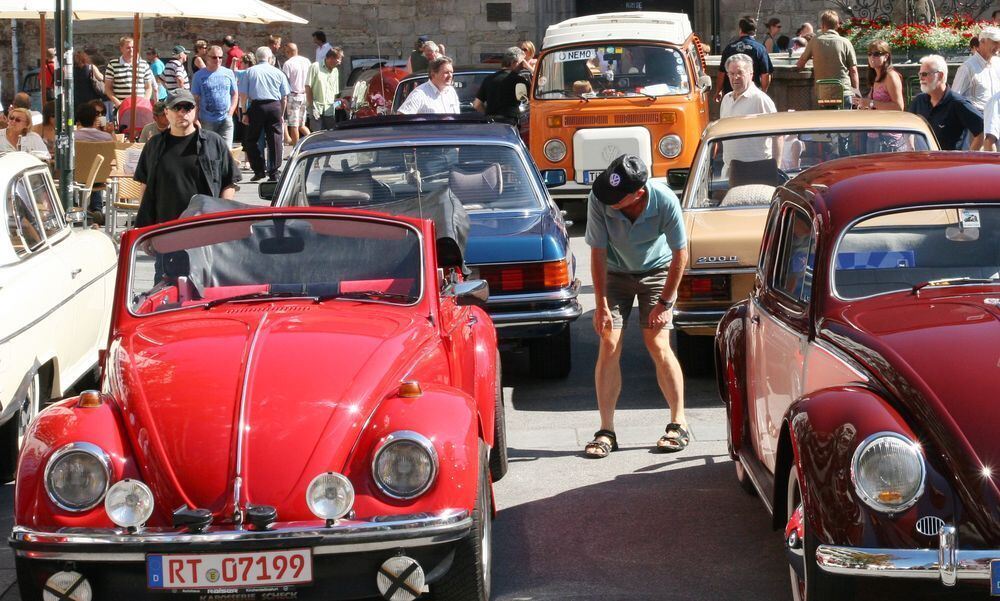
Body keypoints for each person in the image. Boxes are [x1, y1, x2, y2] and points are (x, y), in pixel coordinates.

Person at [583, 154, 689, 459]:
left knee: (656, 341)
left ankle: (678, 422)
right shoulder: (600, 198)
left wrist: (666, 302)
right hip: (615, 272)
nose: (608, 199)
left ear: (638, 194)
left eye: (616, 197)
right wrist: (601, 304)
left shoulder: (664, 200)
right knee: (609, 340)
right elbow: (598, 253)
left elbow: (680, 253)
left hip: (657, 271)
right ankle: (606, 430)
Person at [134, 88, 240, 232]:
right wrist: (146, 230)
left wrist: (220, 217)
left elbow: (229, 183)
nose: (181, 112)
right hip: (165, 228)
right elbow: (144, 186)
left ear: (195, 110)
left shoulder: (213, 142)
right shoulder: (154, 145)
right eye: (176, 107)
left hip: (204, 227)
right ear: (166, 112)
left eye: (187, 107)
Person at [909, 54, 984, 151]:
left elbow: (982, 130)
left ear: (940, 75)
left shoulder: (958, 103)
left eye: (924, 74)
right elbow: (909, 130)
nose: (921, 78)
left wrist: (969, 157)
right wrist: (911, 148)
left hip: (952, 164)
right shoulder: (918, 101)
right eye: (920, 74)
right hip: (924, 162)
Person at [719, 54, 778, 176]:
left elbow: (778, 135)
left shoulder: (760, 99)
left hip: (756, 171)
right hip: (729, 170)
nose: (736, 77)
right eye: (732, 73)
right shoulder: (726, 99)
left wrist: (776, 169)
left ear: (751, 74)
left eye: (740, 73)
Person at [238, 46, 290, 181]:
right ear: (270, 58)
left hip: (257, 106)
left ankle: (259, 169)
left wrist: (244, 112)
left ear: (257, 58)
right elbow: (284, 97)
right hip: (274, 106)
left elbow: (243, 95)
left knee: (251, 139)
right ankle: (274, 171)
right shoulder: (278, 72)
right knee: (275, 139)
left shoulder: (249, 72)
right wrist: (282, 114)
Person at [796, 10, 858, 108]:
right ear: (837, 25)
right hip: (844, 91)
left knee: (826, 122)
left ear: (822, 25)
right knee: (845, 122)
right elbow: (853, 71)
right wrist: (856, 93)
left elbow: (800, 64)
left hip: (823, 93)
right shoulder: (845, 42)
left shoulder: (814, 41)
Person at [191, 45, 240, 148]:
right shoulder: (199, 76)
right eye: (214, 57)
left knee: (226, 151)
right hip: (207, 120)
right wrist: (195, 119)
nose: (217, 60)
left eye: (220, 57)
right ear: (207, 57)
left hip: (226, 119)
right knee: (210, 151)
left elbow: (235, 93)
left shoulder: (228, 73)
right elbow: (195, 99)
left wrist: (231, 112)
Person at [715, 16, 773, 102]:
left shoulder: (729, 48)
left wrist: (718, 90)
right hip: (752, 95)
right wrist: (763, 92)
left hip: (731, 94)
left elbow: (722, 72)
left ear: (740, 29)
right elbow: (765, 74)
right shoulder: (760, 49)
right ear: (754, 31)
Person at [473, 47, 530, 123]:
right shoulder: (519, 80)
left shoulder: (488, 79)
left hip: (491, 123)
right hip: (510, 122)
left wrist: (488, 115)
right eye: (522, 63)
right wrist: (529, 68)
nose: (522, 66)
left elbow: (477, 105)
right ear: (514, 62)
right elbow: (535, 96)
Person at [951, 26, 1000, 113]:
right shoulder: (967, 68)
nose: (998, 46)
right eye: (995, 42)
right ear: (982, 42)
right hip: (978, 118)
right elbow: (954, 97)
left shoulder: (997, 63)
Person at [105, 36, 155, 111]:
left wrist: (144, 102)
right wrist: (118, 103)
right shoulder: (113, 64)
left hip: (140, 107)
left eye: (133, 47)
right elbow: (108, 88)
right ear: (121, 49)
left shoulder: (144, 64)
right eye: (128, 48)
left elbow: (148, 87)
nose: (131, 50)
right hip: (121, 107)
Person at [857, 40, 903, 111]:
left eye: (876, 54)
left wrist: (870, 103)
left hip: (889, 120)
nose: (872, 57)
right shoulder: (876, 76)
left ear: (886, 56)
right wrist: (861, 103)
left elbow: (899, 107)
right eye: (869, 54)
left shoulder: (891, 76)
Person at [305, 47, 343, 131]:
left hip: (329, 109)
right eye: (338, 60)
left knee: (331, 135)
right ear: (330, 58)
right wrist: (312, 107)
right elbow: (308, 87)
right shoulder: (315, 67)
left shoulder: (335, 71)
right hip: (316, 107)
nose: (339, 63)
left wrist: (338, 103)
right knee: (317, 135)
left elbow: (334, 92)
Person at [281, 42, 312, 145]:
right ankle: (310, 144)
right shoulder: (306, 61)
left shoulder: (288, 64)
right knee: (301, 124)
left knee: (294, 125)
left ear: (288, 52)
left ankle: (296, 149)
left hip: (293, 96)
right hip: (305, 94)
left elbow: (285, 81)